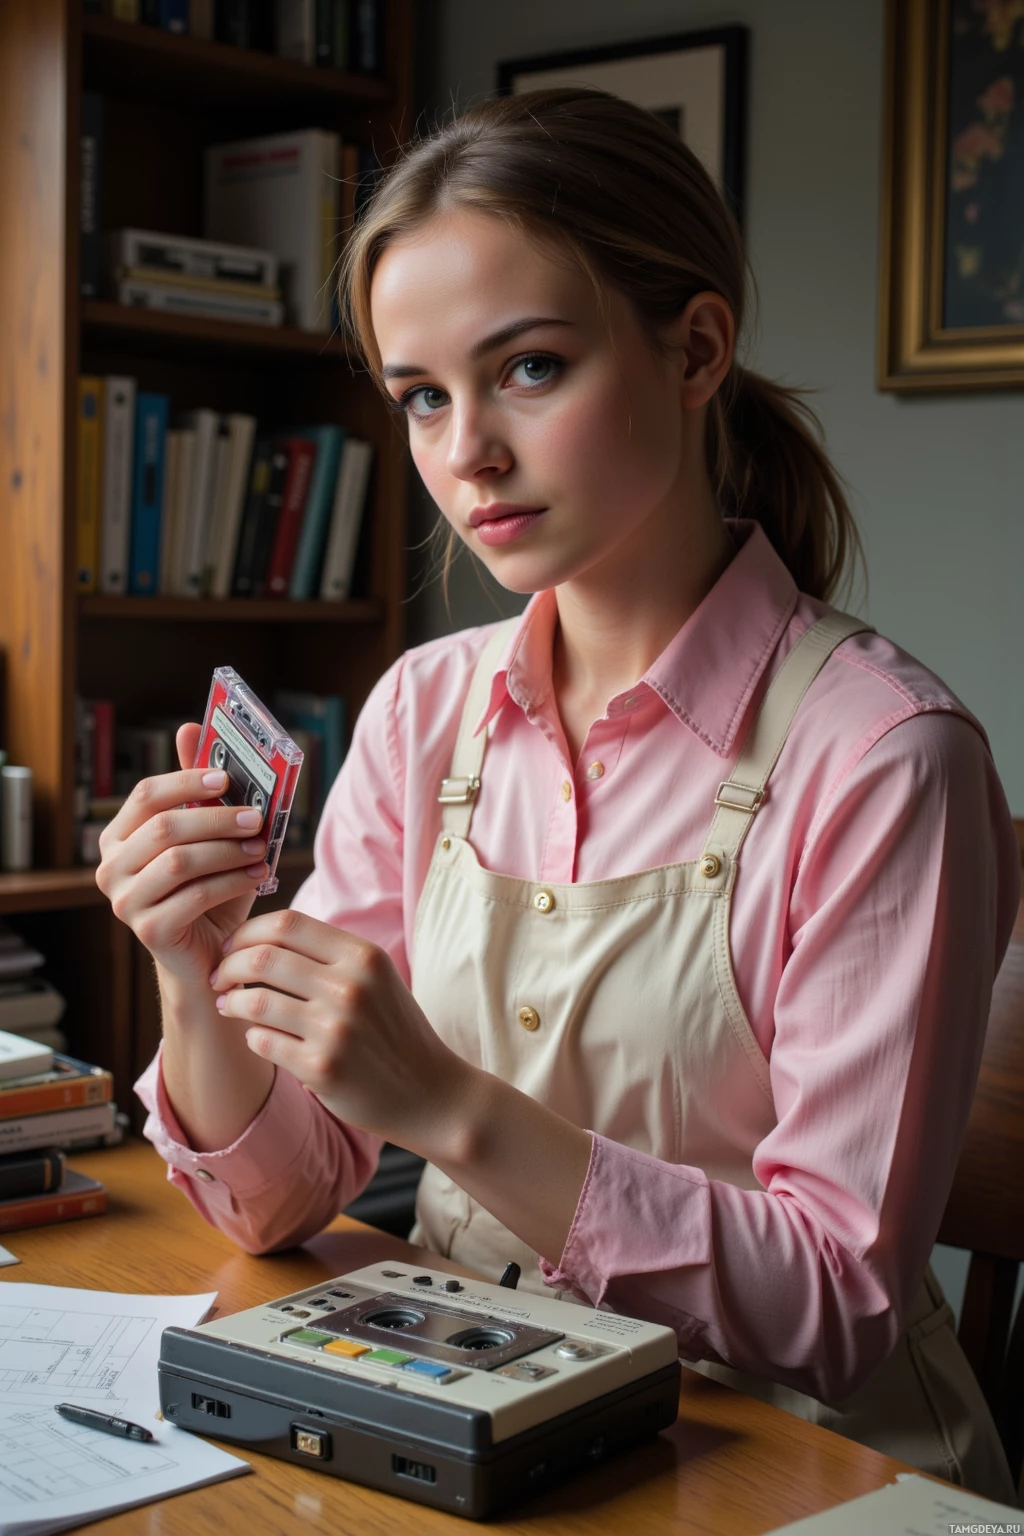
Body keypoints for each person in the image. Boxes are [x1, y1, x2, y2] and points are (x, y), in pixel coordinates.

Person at [96, 91, 1020, 1499]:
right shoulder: (425, 711)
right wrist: (188, 964)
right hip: (473, 1416)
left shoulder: (886, 758)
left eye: (528, 368)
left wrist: (453, 1109)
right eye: (420, 396)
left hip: (801, 1474)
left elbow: (838, 1314)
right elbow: (283, 1203)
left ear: (696, 348)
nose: (465, 450)